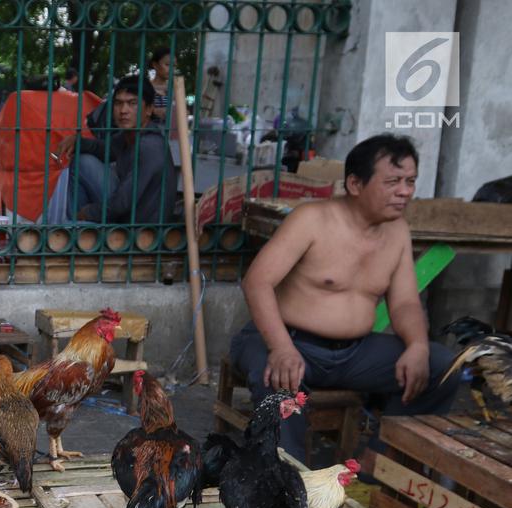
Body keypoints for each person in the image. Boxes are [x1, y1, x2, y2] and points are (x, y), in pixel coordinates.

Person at [230, 134, 461, 462]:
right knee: (278, 385)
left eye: (410, 181)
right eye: (393, 181)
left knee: (442, 367)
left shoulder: (397, 232)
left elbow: (405, 303)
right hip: (286, 341)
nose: (405, 191)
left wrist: (418, 346)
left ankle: (377, 466)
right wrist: (281, 347)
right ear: (355, 183)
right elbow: (257, 282)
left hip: (355, 353)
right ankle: (290, 485)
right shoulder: (312, 219)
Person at [52, 75, 176, 224]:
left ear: (149, 109)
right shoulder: (128, 136)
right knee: (82, 159)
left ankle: (77, 225)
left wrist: (88, 212)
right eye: (118, 103)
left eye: (132, 103)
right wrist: (77, 141)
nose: (123, 110)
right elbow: (104, 148)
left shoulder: (149, 146)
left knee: (83, 163)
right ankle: (78, 227)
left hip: (140, 227)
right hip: (127, 214)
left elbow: (121, 203)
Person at [147, 46, 172, 124]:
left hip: (171, 133)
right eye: (167, 64)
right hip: (149, 132)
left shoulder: (175, 89)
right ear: (155, 65)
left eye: (174, 66)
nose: (171, 69)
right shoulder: (146, 87)